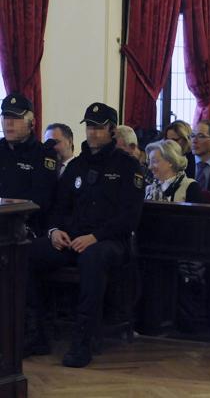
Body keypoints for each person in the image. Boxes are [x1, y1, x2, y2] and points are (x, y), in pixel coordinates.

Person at [25, 102, 144, 367]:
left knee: (93, 259)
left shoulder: (127, 166)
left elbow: (129, 217)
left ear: (112, 130)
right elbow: (58, 206)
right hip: (71, 239)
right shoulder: (77, 166)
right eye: (89, 126)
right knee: (28, 254)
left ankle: (83, 342)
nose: (92, 133)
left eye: (98, 128)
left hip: (109, 242)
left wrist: (96, 237)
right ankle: (36, 334)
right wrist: (55, 231)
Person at [0, 93, 57, 235]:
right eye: (6, 117)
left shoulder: (43, 155)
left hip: (24, 226)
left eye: (16, 118)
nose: (9, 123)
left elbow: (41, 201)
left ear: (32, 123)